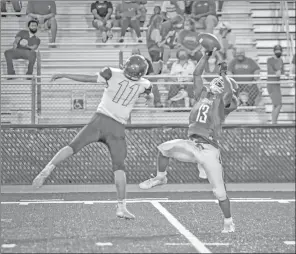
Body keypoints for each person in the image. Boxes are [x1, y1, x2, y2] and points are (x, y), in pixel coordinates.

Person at [32, 55, 153, 220]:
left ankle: (47, 169)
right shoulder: (145, 84)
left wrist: (65, 74)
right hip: (117, 128)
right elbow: (149, 93)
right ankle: (121, 207)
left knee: (72, 147)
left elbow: (87, 79)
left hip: (99, 121)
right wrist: (149, 99)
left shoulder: (111, 73)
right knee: (119, 167)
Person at [139, 38, 237, 233]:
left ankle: (228, 222)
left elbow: (228, 95)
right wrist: (206, 54)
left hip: (209, 149)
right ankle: (161, 177)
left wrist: (224, 75)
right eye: (216, 81)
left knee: (219, 191)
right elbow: (197, 73)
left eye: (220, 82)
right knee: (164, 149)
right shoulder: (202, 95)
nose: (216, 83)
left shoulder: (224, 104)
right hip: (192, 145)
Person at [267, 45, 285, 124]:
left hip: (277, 84)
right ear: (274, 51)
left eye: (280, 51)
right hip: (271, 83)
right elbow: (271, 71)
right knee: (278, 104)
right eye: (277, 51)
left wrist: (283, 73)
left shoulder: (281, 60)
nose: (278, 52)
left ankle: (273, 122)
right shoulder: (270, 60)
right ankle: (274, 122)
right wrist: (277, 72)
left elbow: (282, 71)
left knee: (275, 104)